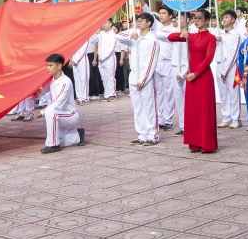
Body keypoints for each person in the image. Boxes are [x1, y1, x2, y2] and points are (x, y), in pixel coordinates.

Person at [167, 8, 218, 153]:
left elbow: (209, 58)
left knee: (204, 110)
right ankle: (195, 143)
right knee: (193, 110)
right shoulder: (191, 36)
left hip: (202, 77)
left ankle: (207, 143)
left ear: (207, 20)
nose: (196, 21)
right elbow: (170, 37)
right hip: (191, 78)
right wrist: (181, 34)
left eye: (200, 18)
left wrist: (195, 73)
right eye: (195, 18)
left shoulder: (211, 38)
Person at [117, 13, 160, 146]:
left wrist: (143, 79)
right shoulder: (134, 35)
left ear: (149, 23)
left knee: (149, 106)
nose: (139, 23)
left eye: (142, 21)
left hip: (145, 77)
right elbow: (117, 36)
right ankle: (142, 134)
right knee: (138, 107)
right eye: (138, 21)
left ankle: (152, 134)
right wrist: (130, 35)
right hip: (133, 75)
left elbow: (150, 62)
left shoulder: (152, 40)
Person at [37, 53, 86, 153]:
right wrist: (33, 94)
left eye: (50, 65)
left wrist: (42, 111)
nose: (48, 68)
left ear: (59, 66)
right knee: (57, 138)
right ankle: (78, 135)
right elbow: (41, 92)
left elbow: (57, 102)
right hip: (58, 115)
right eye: (47, 65)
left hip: (70, 115)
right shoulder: (51, 80)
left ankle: (53, 145)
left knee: (50, 111)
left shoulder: (66, 82)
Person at [215, 10, 244, 129]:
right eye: (223, 17)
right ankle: (226, 117)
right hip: (219, 64)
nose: (224, 19)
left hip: (231, 67)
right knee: (223, 94)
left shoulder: (236, 35)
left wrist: (225, 71)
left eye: (227, 17)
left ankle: (236, 118)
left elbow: (234, 54)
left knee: (234, 94)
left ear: (233, 20)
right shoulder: (219, 33)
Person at [92, 19, 118, 101]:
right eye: (102, 22)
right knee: (104, 78)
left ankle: (112, 94)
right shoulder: (101, 34)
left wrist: (103, 58)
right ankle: (107, 94)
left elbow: (111, 48)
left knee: (110, 77)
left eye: (105, 22)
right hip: (101, 60)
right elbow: (93, 41)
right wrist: (96, 34)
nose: (103, 24)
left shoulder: (113, 34)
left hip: (109, 59)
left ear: (110, 24)